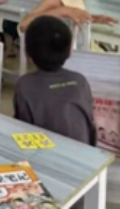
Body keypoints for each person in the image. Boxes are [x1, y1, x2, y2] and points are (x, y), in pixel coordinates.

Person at [14, 16, 96, 147]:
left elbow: (23, 133)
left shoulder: (24, 85)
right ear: (69, 52)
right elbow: (90, 127)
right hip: (84, 155)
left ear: (27, 53)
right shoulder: (80, 81)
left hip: (45, 155)